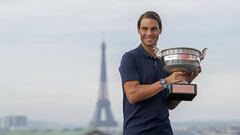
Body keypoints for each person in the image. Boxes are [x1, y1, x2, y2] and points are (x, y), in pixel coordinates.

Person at [119, 11, 201, 135]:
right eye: (144, 29)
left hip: (164, 131)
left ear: (160, 30)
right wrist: (166, 81)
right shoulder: (130, 58)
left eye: (153, 29)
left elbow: (170, 104)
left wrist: (187, 81)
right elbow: (133, 94)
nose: (149, 33)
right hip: (137, 131)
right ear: (138, 30)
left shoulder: (165, 62)